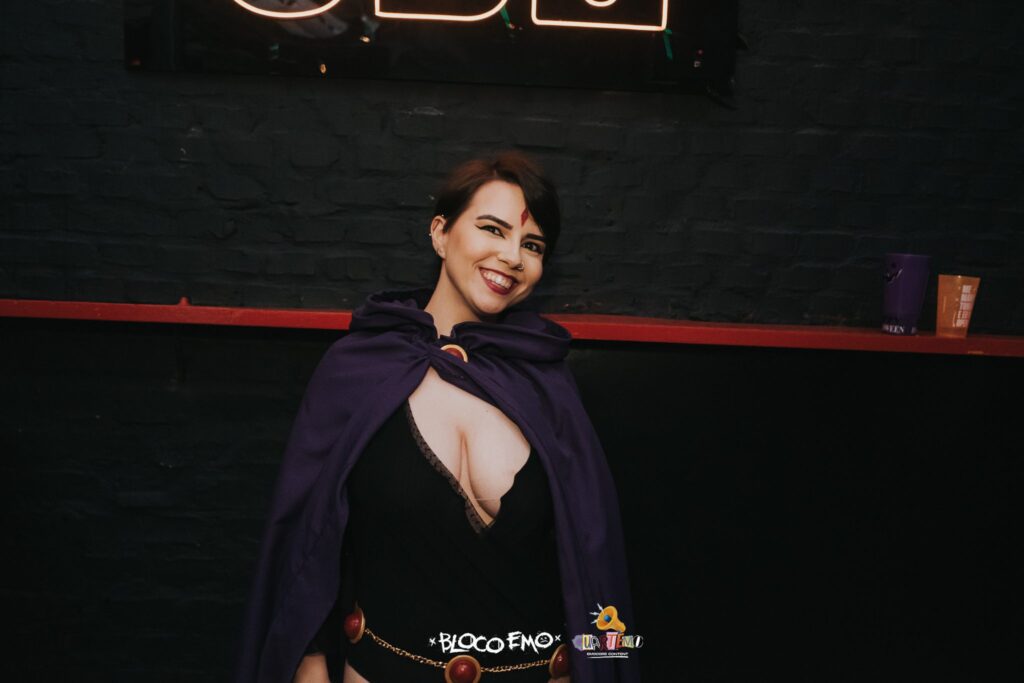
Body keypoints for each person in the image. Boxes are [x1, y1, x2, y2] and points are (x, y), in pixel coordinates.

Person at [233, 151, 640, 683]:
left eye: (533, 245)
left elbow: (595, 558)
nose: (512, 256)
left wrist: (607, 666)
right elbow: (303, 540)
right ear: (441, 233)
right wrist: (309, 664)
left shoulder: (547, 384)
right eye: (492, 229)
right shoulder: (356, 370)